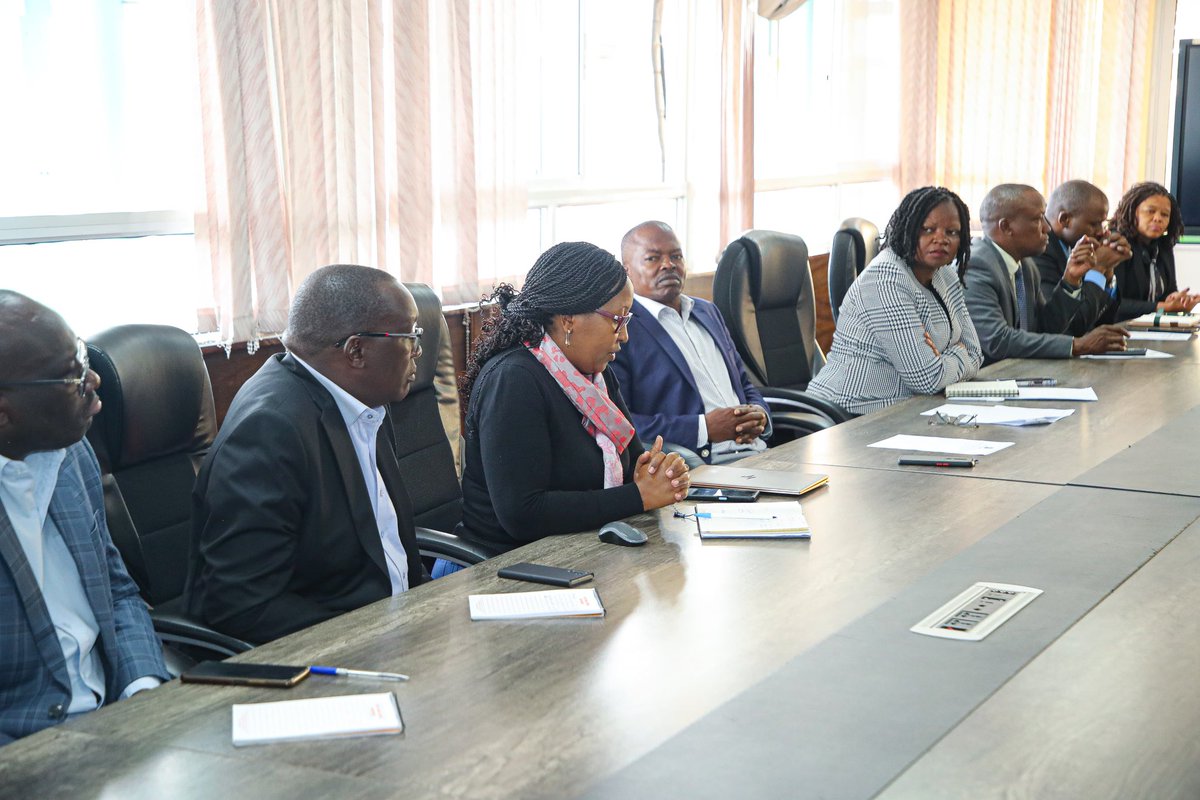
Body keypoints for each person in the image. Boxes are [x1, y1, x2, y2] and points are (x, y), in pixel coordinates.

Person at [186, 264, 429, 644]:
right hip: (331, 652)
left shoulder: (363, 402)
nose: (417, 349)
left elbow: (391, 547)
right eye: (408, 335)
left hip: (401, 627)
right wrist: (370, 637)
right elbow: (240, 603)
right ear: (357, 351)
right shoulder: (269, 431)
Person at [0, 291, 169, 745]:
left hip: (119, 723)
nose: (94, 379)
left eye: (82, 355)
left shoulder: (72, 452)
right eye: (71, 377)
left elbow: (116, 590)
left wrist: (143, 689)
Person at [458, 241, 690, 554]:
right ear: (569, 319)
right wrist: (638, 496)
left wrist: (657, 472)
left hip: (585, 547)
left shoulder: (596, 373)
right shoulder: (513, 380)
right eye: (617, 320)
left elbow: (634, 460)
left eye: (627, 320)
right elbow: (523, 514)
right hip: (505, 566)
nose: (624, 335)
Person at [806, 186, 983, 415]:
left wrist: (943, 359)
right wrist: (957, 352)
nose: (941, 239)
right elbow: (928, 379)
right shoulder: (885, 280)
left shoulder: (946, 275)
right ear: (908, 230)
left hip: (908, 408)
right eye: (928, 229)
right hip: (851, 412)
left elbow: (976, 353)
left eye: (952, 232)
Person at [611, 221, 770, 463]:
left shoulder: (708, 312)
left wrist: (760, 416)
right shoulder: (621, 329)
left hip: (760, 453)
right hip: (699, 466)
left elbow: (744, 384)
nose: (669, 265)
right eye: (653, 259)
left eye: (676, 256)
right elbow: (621, 424)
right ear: (627, 271)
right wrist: (704, 429)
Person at [963, 183, 1128, 363]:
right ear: (1006, 227)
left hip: (1020, 371)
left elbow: (1046, 329)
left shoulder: (1026, 265)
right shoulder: (977, 264)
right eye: (1038, 219)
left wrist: (1070, 280)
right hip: (986, 380)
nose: (1047, 228)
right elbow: (997, 340)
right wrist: (1078, 345)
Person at [1034, 179, 1132, 332]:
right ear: (1065, 220)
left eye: (1103, 223)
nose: (1101, 232)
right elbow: (1071, 327)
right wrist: (1098, 268)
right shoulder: (1040, 252)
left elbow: (1104, 321)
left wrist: (1107, 275)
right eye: (1094, 224)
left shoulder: (1074, 244)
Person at [1110, 182, 1200, 320]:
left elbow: (1169, 292)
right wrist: (1162, 307)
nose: (1158, 218)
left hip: (1148, 328)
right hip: (1116, 329)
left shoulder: (1164, 247)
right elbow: (1112, 304)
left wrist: (1178, 299)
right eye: (1150, 211)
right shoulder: (1116, 244)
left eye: (1165, 215)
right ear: (1133, 211)